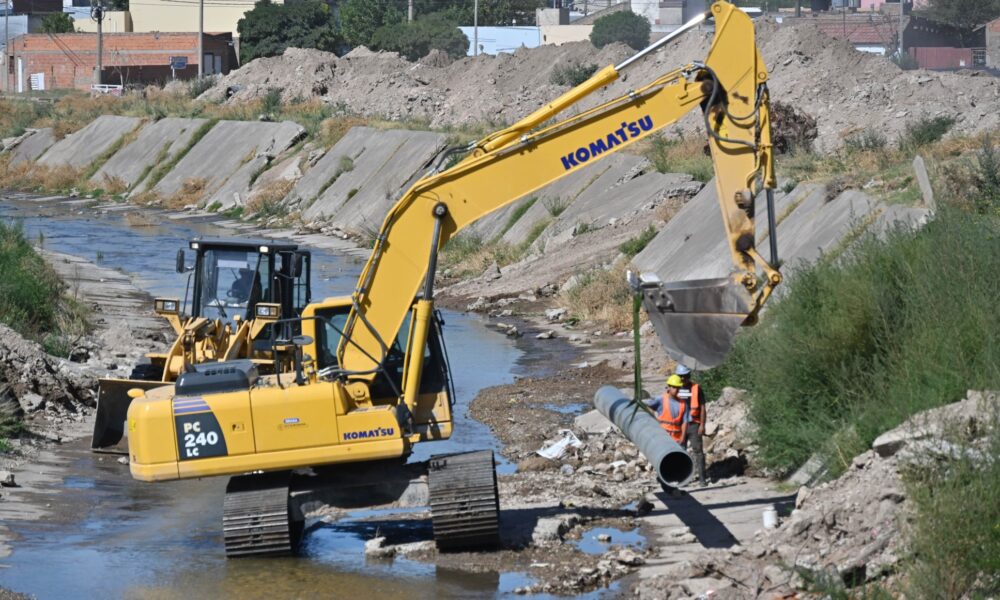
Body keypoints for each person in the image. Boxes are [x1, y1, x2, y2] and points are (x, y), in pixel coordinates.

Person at [647, 365, 708, 487]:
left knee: (698, 451)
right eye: (680, 376)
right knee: (680, 451)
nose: (682, 379)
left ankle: (702, 478)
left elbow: (702, 408)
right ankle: (681, 477)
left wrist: (702, 425)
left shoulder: (696, 389)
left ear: (689, 376)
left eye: (685, 376)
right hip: (678, 427)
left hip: (693, 424)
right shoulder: (673, 390)